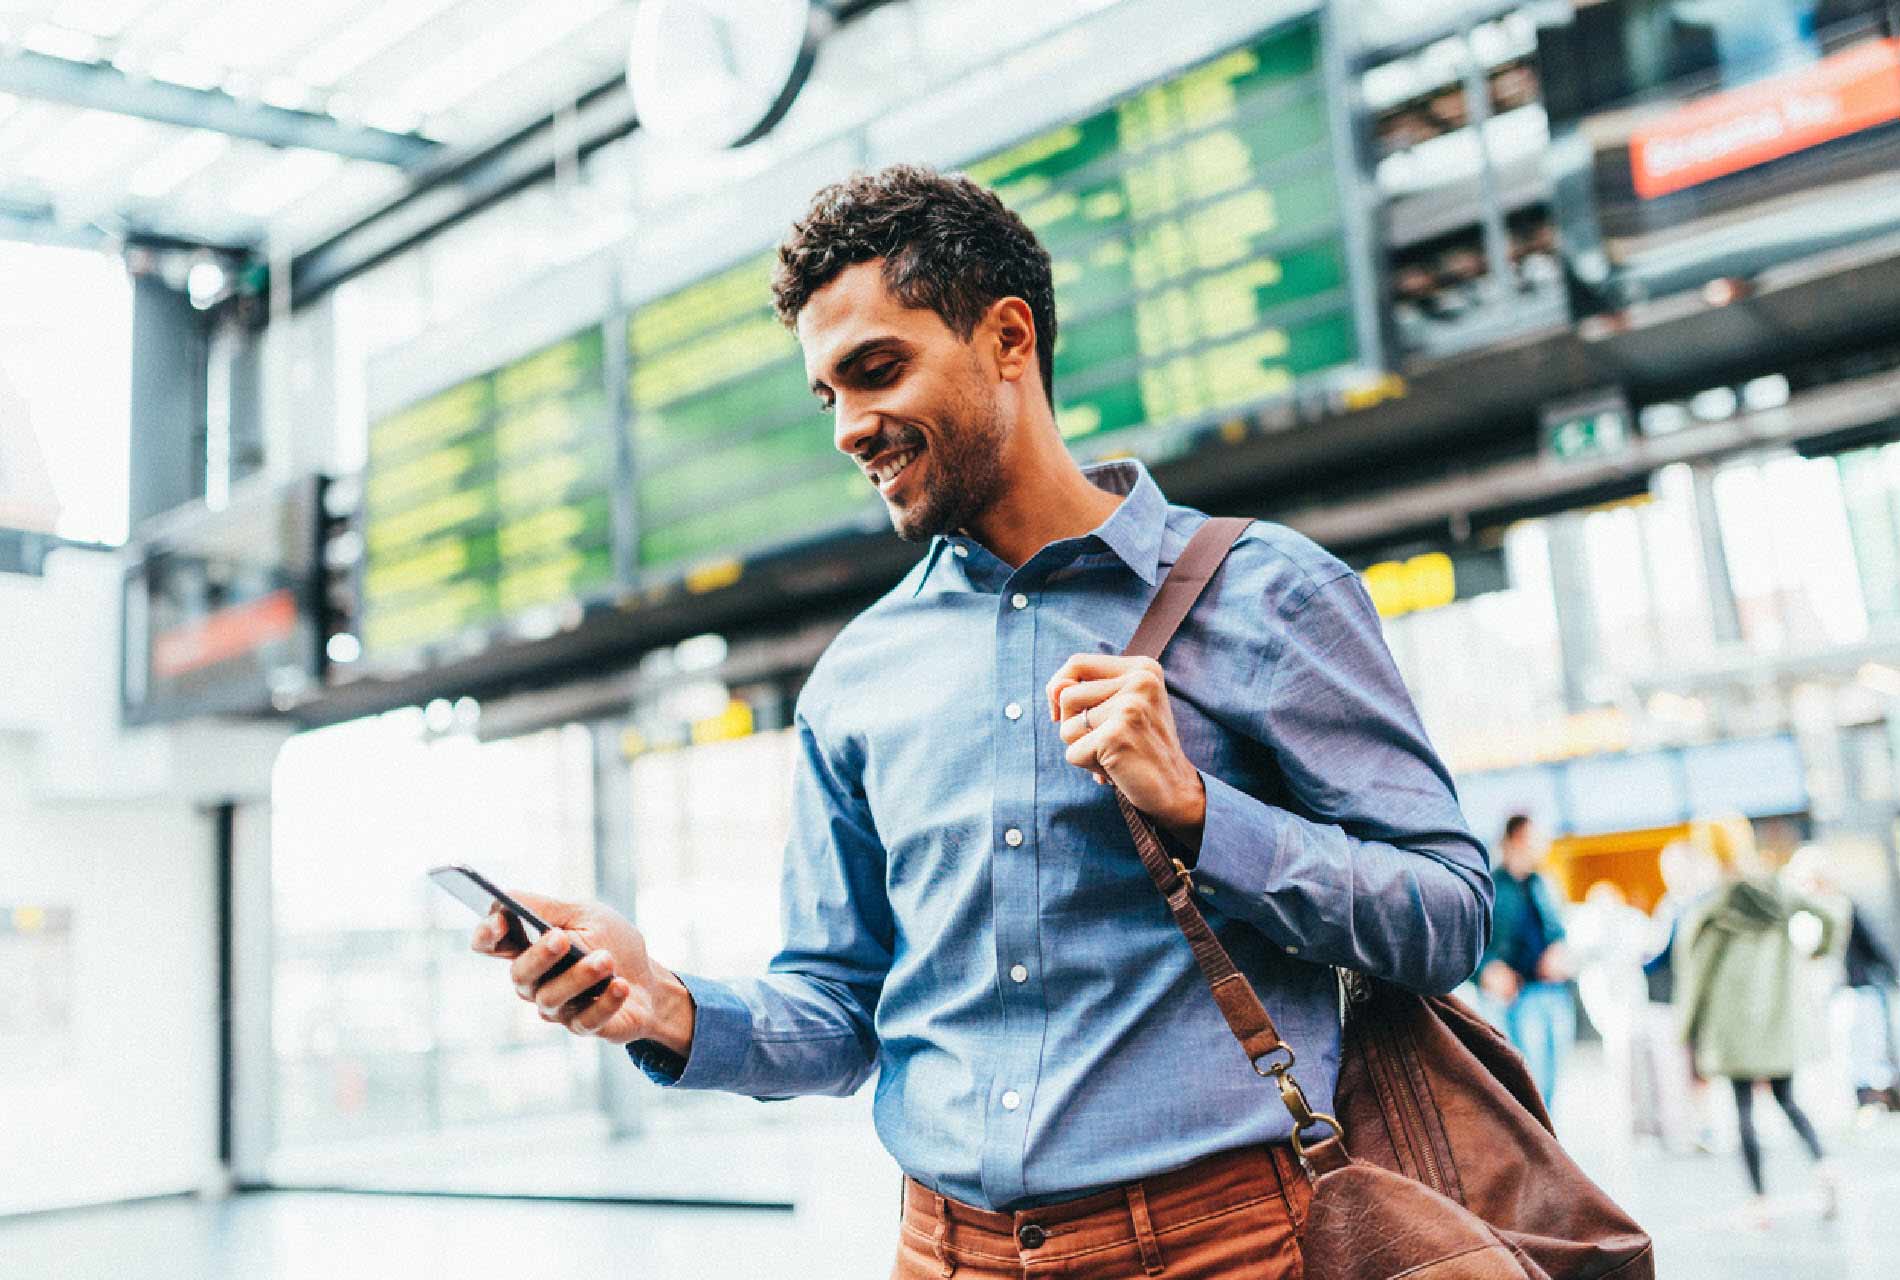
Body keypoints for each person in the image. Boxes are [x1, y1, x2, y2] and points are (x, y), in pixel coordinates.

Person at [467, 164, 1492, 1280]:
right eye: (829, 395)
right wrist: (656, 999)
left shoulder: (1269, 592)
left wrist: (1200, 811)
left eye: (877, 369)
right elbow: (839, 1007)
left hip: (1229, 1242)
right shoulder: (858, 677)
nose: (851, 427)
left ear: (1008, 337)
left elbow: (1447, 916)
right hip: (940, 1248)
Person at [1675, 818, 1841, 1225]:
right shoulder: (1778, 887)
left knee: (1743, 1108)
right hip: (1779, 1018)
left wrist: (1687, 1029)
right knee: (1787, 1099)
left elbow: (1697, 973)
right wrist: (1819, 952)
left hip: (1732, 1025)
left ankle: (1761, 1201)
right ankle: (1825, 1168)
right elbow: (1832, 916)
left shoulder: (1712, 906)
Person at [1476, 813, 1576, 1107]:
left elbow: (1558, 932)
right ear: (1517, 839)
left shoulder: (1542, 883)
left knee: (1552, 1083)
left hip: (1552, 992)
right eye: (1536, 837)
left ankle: (1548, 1146)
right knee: (1527, 1083)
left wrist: (1560, 951)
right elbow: (1473, 945)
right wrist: (1487, 971)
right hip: (1516, 998)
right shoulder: (1491, 886)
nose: (1543, 844)